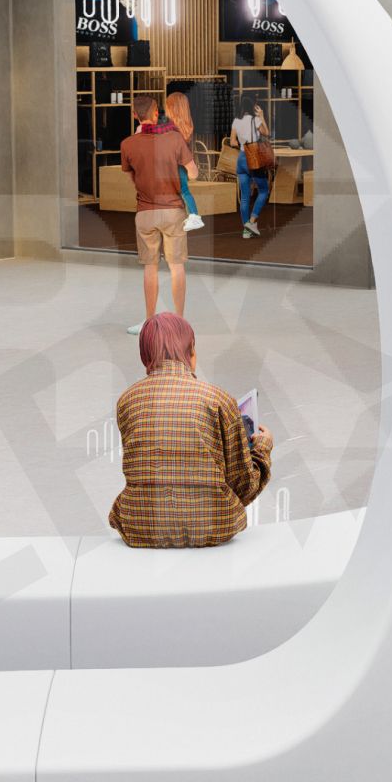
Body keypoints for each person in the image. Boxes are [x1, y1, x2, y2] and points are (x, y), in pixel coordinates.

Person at [108, 314, 273, 547]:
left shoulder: (127, 401)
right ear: (192, 353)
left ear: (144, 358)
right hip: (215, 526)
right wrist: (262, 448)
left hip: (140, 528)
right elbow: (244, 488)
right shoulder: (219, 400)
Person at [118, 94, 191, 325]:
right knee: (176, 266)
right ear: (157, 113)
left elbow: (132, 177)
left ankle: (149, 321)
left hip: (145, 212)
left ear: (133, 115)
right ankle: (179, 321)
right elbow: (191, 171)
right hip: (172, 210)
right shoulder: (173, 140)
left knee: (150, 268)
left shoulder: (127, 144)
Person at [164, 88, 208, 236]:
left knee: (179, 191)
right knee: (183, 190)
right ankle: (193, 215)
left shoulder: (170, 128)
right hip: (181, 164)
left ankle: (193, 216)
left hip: (173, 165)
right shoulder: (185, 126)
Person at [229, 99, 274, 239]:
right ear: (253, 107)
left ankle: (246, 230)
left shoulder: (236, 121)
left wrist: (243, 144)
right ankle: (252, 221)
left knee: (244, 197)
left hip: (241, 158)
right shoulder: (255, 120)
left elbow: (232, 142)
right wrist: (261, 116)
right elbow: (266, 133)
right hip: (254, 159)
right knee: (264, 190)